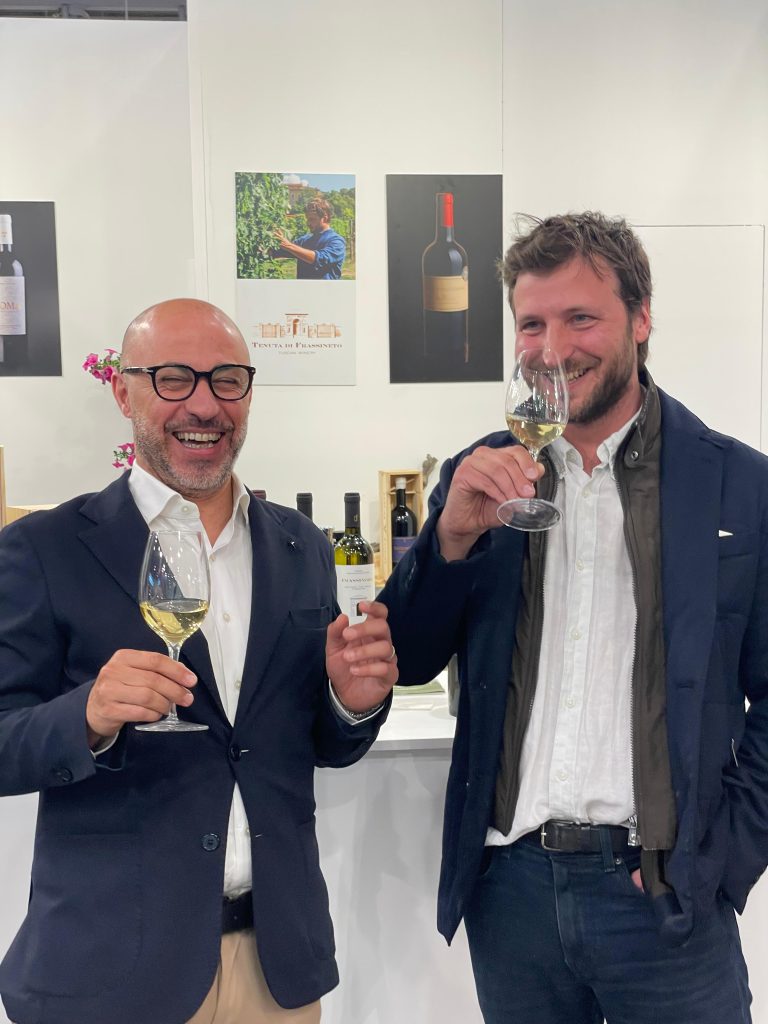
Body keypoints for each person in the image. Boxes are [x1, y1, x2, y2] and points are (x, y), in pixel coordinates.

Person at [380, 212, 767, 1024]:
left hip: (666, 899)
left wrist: (725, 854)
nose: (551, 350)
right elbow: (407, 658)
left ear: (642, 317)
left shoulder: (740, 486)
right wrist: (449, 541)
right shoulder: (484, 476)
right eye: (531, 324)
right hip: (513, 898)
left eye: (580, 318)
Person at [0, 298, 397, 1024]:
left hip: (278, 970)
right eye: (173, 378)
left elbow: (313, 747)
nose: (205, 405)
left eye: (227, 380)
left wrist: (352, 702)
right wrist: (86, 717)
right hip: (111, 973)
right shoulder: (45, 550)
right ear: (123, 392)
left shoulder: (301, 546)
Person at [274, 198, 346, 280]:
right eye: (307, 219)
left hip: (325, 288)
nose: (308, 223)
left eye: (312, 219)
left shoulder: (336, 241)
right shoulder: (305, 240)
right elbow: (281, 251)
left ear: (325, 218)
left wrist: (288, 245)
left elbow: (319, 259)